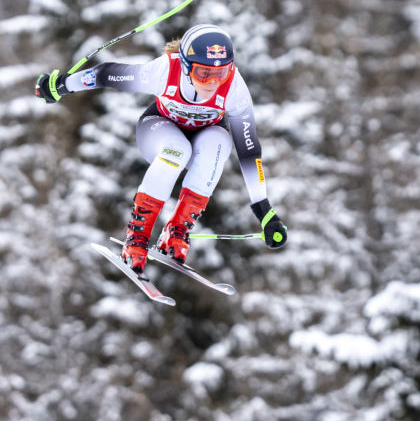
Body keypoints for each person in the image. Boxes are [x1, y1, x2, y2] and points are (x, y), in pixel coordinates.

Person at [35, 24, 288, 274]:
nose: (212, 82)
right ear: (187, 66)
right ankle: (138, 236)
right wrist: (62, 85)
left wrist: (264, 212)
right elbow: (107, 74)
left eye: (220, 73)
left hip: (204, 139)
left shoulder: (234, 88)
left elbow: (249, 150)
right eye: (202, 73)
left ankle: (177, 231)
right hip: (158, 130)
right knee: (177, 149)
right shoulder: (166, 71)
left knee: (220, 144)